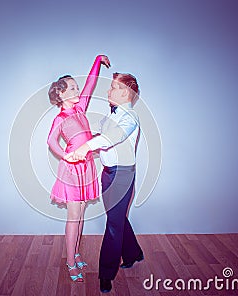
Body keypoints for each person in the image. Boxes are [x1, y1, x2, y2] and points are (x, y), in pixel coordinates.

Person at [66, 72, 144, 292]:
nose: (108, 91)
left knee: (112, 226)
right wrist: (84, 138)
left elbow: (112, 138)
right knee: (116, 218)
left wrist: (85, 148)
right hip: (108, 173)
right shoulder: (113, 115)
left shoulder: (130, 117)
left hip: (123, 175)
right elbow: (102, 135)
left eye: (112, 87)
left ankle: (106, 274)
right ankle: (133, 253)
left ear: (124, 92)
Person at [47, 55, 110, 282]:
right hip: (72, 171)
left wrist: (97, 61)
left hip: (87, 167)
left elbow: (90, 85)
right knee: (74, 217)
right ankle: (70, 263)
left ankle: (75, 253)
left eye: (76, 87)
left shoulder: (80, 108)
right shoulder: (60, 118)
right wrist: (67, 156)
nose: (77, 90)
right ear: (61, 94)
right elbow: (51, 142)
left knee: (81, 214)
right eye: (71, 88)